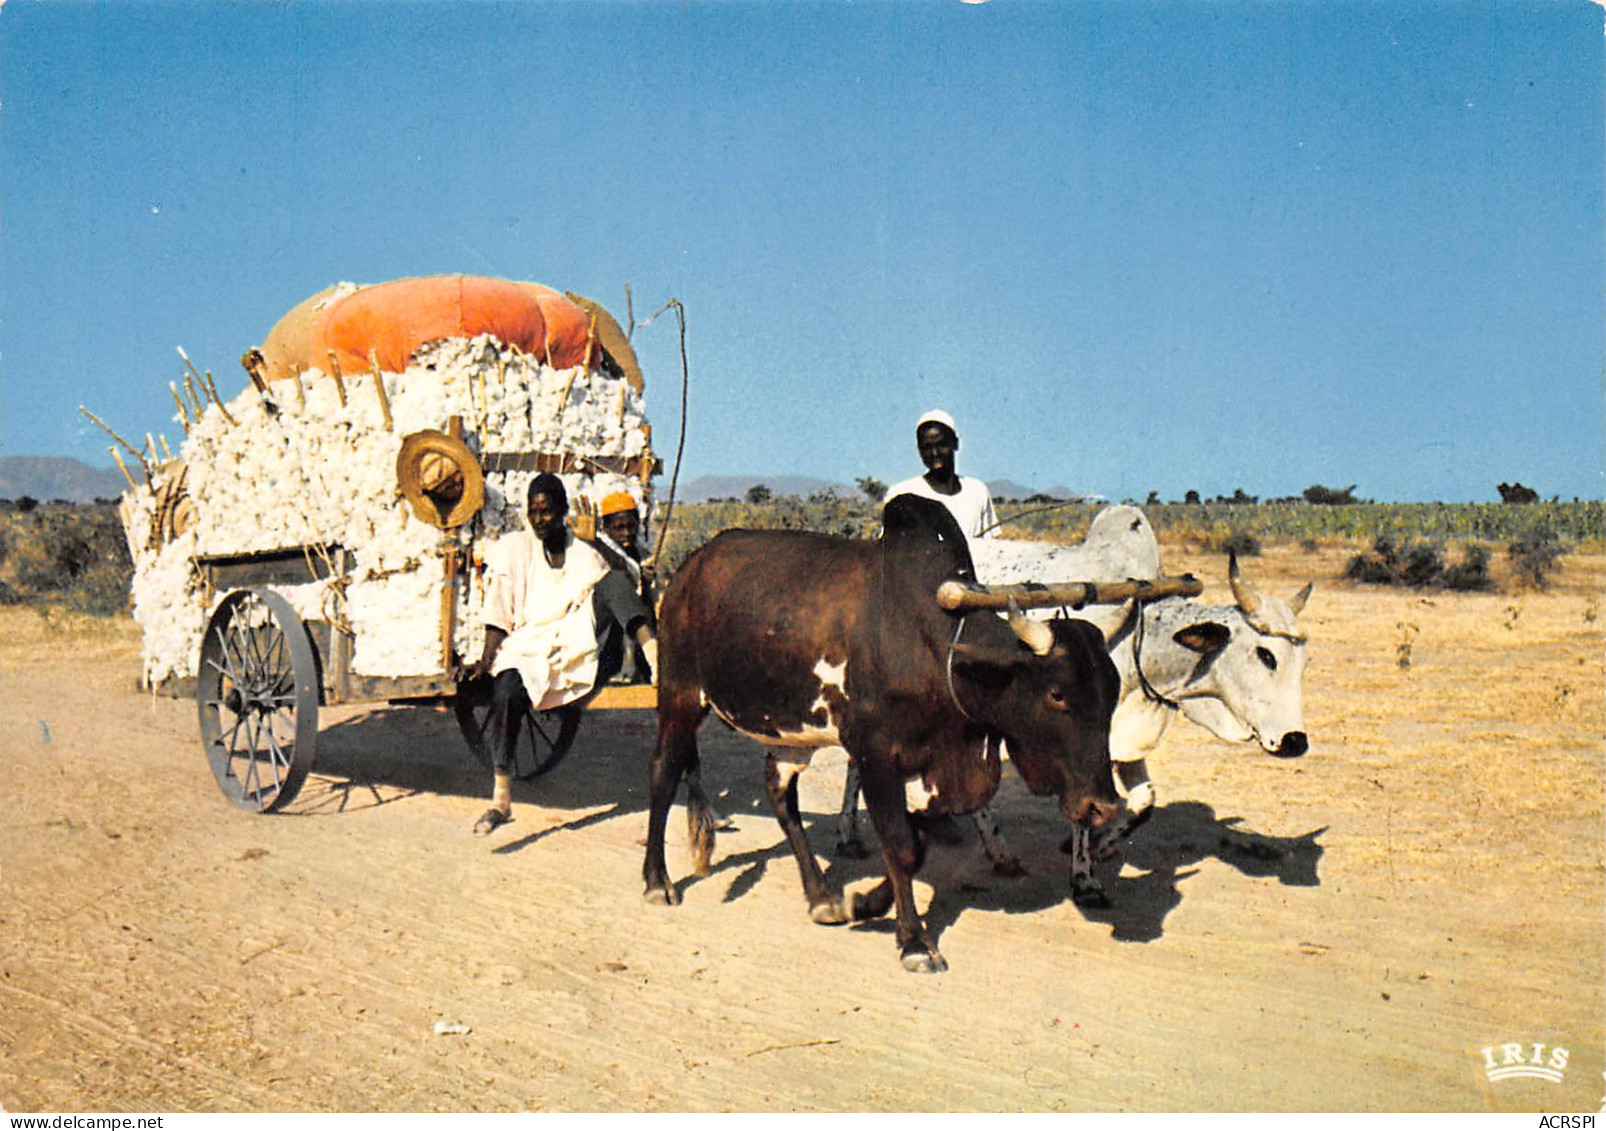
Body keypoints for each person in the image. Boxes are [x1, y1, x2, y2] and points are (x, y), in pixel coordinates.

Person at [465, 473, 652, 835]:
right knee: (506, 692)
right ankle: (501, 797)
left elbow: (626, 581)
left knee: (611, 581)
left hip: (582, 644)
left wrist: (596, 541)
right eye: (534, 512)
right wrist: (485, 662)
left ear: (563, 511)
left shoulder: (583, 550)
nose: (540, 520)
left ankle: (652, 650)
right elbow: (499, 613)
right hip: (529, 646)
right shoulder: (516, 550)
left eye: (547, 512)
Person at [884, 409, 999, 545]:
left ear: (955, 444)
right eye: (927, 447)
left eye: (941, 444)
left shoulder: (977, 491)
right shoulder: (901, 494)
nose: (934, 453)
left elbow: (990, 548)